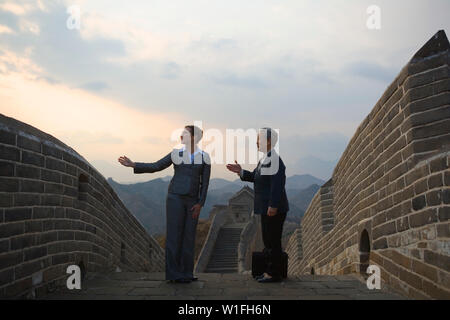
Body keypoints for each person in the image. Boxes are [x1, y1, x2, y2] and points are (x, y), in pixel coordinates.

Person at [118, 125, 211, 283]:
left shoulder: (205, 157)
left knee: (189, 237)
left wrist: (200, 203)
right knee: (174, 237)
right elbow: (157, 166)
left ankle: (187, 273)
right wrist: (134, 165)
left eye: (185, 134)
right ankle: (174, 274)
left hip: (192, 201)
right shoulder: (176, 153)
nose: (181, 137)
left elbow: (205, 183)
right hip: (175, 198)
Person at [226, 127, 289, 283]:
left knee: (273, 241)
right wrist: (241, 172)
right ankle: (269, 271)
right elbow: (255, 176)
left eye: (259, 139)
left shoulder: (274, 159)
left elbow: (278, 184)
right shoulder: (265, 159)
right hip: (266, 208)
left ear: (268, 141)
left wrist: (273, 205)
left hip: (274, 208)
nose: (256, 142)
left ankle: (274, 274)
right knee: (268, 240)